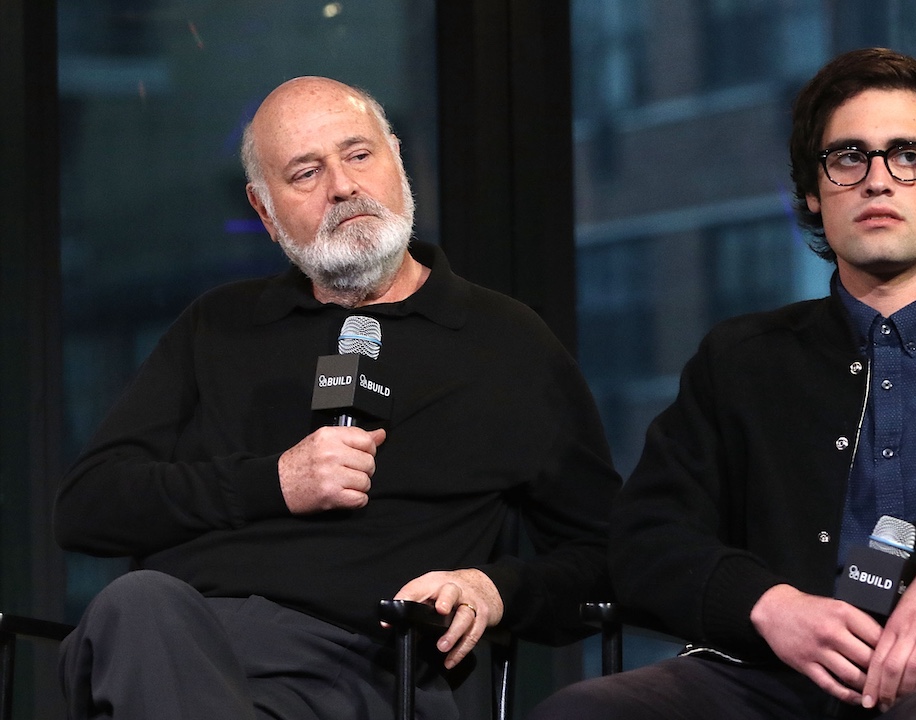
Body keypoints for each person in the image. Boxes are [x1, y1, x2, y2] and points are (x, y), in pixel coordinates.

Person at [528, 48, 916, 720]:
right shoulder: (742, 360)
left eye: (909, 155)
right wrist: (768, 606)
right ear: (813, 190)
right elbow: (645, 541)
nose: (877, 180)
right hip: (768, 676)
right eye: (848, 157)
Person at [54, 76, 620, 720]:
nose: (344, 187)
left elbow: (607, 557)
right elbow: (87, 507)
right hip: (176, 647)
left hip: (370, 673)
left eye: (358, 155)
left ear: (398, 162)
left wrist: (496, 588)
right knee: (139, 606)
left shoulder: (507, 342)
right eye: (305, 173)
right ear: (264, 212)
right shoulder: (217, 327)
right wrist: (277, 482)